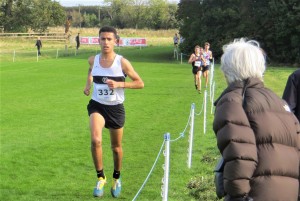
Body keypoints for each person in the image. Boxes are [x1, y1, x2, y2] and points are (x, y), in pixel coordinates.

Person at [213, 38, 300, 201]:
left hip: (257, 194)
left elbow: (239, 155)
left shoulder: (233, 101)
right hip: (288, 193)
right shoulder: (279, 102)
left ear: (227, 68)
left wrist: (237, 196)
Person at [83, 26, 144, 198]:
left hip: (116, 108)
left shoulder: (122, 62)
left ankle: (116, 177)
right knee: (96, 140)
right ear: (98, 40)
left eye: (109, 39)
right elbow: (90, 71)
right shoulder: (92, 60)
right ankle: (101, 177)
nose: (106, 42)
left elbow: (140, 83)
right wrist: (88, 85)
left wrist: (120, 84)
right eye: (102, 39)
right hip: (97, 105)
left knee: (116, 148)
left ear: (116, 41)